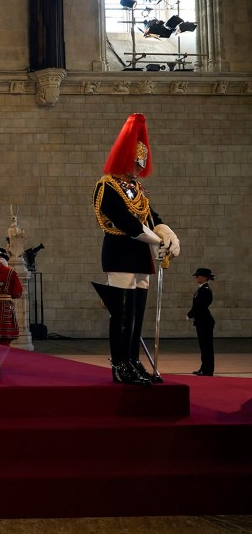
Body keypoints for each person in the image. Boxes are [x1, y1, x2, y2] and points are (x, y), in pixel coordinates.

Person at [92, 113, 180, 386]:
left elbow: (151, 216)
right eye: (137, 161)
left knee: (137, 313)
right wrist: (157, 241)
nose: (140, 167)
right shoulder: (106, 186)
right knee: (122, 313)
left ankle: (133, 361)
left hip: (141, 255)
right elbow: (129, 224)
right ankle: (120, 364)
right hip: (120, 251)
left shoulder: (136, 189)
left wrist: (168, 234)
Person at [188, 267, 215, 376]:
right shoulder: (202, 289)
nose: (196, 277)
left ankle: (207, 370)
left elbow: (200, 306)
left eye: (198, 275)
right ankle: (204, 368)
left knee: (206, 347)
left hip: (205, 322)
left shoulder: (205, 290)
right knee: (204, 347)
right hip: (202, 321)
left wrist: (190, 314)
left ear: (204, 278)